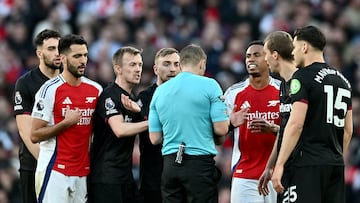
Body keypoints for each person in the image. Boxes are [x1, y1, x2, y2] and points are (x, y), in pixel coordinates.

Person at [271, 25, 353, 203]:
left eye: (294, 47)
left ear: (304, 47)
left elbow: (295, 124)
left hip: (308, 165)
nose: (292, 53)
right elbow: (348, 130)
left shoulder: (302, 77)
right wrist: (336, 155)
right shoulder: (343, 81)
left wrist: (279, 165)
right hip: (336, 165)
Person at [148, 44, 229, 203]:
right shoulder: (210, 85)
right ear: (202, 64)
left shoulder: (160, 91)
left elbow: (155, 138)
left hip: (170, 165)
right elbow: (221, 129)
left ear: (180, 64)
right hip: (199, 164)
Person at [30, 34, 102, 203]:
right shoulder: (49, 90)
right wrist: (66, 123)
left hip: (82, 171)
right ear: (62, 58)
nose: (83, 60)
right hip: (54, 170)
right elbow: (34, 135)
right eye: (77, 56)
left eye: (85, 55)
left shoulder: (96, 90)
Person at [224, 40, 281, 203]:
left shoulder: (283, 92)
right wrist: (230, 123)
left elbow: (295, 130)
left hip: (277, 175)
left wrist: (273, 129)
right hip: (245, 173)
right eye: (248, 56)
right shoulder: (233, 94)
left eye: (257, 55)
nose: (251, 59)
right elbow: (218, 134)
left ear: (269, 59)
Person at [89, 46, 148, 203]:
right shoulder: (109, 96)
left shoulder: (133, 100)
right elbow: (119, 129)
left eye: (140, 65)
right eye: (132, 65)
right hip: (106, 177)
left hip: (125, 176)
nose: (138, 70)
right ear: (118, 69)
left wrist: (140, 112)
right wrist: (152, 123)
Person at [13, 29, 61, 203]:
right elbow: (25, 131)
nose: (57, 53)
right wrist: (50, 165)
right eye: (51, 49)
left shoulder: (72, 81)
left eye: (59, 48)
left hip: (67, 166)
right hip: (34, 165)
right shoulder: (26, 83)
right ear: (39, 53)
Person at [136, 47, 180, 203]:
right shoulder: (145, 97)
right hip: (152, 176)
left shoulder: (186, 96)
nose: (172, 69)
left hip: (179, 175)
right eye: (167, 64)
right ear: (155, 69)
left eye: (176, 64)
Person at [257, 31, 297, 198]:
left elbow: (297, 127)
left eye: (265, 54)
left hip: (301, 166)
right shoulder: (283, 86)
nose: (264, 60)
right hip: (286, 167)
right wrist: (270, 167)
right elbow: (284, 130)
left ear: (275, 55)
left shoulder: (301, 82)